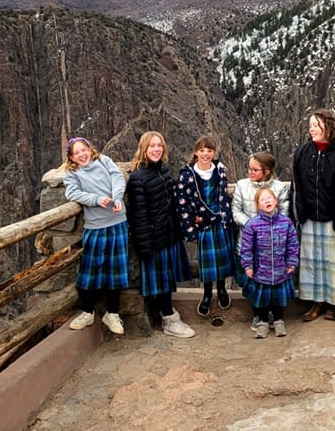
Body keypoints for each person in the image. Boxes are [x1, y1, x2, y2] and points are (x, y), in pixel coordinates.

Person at [290, 108, 335, 322]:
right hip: (310, 219)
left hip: (333, 220)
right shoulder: (303, 152)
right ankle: (317, 302)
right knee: (314, 263)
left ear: (328, 127)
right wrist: (297, 214)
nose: (312, 129)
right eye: (311, 125)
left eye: (316, 125)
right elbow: (297, 186)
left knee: (333, 263)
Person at [125, 131, 196, 338]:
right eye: (151, 146)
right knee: (163, 280)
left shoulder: (163, 171)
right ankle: (169, 320)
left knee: (168, 278)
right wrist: (146, 246)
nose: (156, 149)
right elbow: (138, 216)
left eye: (159, 145)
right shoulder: (138, 178)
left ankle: (162, 313)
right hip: (155, 240)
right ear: (143, 149)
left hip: (169, 235)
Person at [63, 137, 130, 334]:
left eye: (84, 150)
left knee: (115, 271)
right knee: (89, 271)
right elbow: (72, 194)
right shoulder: (72, 174)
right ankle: (87, 312)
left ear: (90, 149)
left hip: (117, 222)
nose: (82, 155)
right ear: (72, 157)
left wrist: (117, 197)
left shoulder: (104, 161)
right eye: (77, 153)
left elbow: (117, 176)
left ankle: (112, 313)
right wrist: (96, 199)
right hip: (95, 226)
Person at [176, 136, 234, 316]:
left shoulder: (220, 170)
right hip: (202, 224)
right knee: (207, 262)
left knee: (222, 258)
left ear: (214, 152)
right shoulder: (187, 176)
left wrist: (226, 217)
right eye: (202, 150)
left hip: (220, 221)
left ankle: (222, 289)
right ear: (196, 152)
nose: (205, 154)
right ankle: (208, 293)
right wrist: (190, 229)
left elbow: (223, 195)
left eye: (209, 150)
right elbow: (182, 203)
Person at [232, 152, 290, 330]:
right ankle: (258, 315)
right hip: (248, 244)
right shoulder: (242, 185)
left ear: (266, 171)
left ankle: (275, 314)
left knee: (274, 283)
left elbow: (284, 213)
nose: (250, 172)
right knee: (253, 284)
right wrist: (253, 225)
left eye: (255, 169)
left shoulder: (279, 188)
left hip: (274, 247)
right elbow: (236, 211)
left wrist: (268, 228)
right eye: (249, 168)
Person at [240, 187, 300, 338]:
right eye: (262, 199)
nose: (267, 201)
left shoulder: (286, 223)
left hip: (281, 270)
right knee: (262, 300)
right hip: (261, 271)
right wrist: (248, 265)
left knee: (279, 299)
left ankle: (279, 320)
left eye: (269, 198)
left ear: (276, 201)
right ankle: (263, 322)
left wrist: (292, 262)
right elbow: (246, 247)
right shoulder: (253, 225)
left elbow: (293, 244)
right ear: (258, 206)